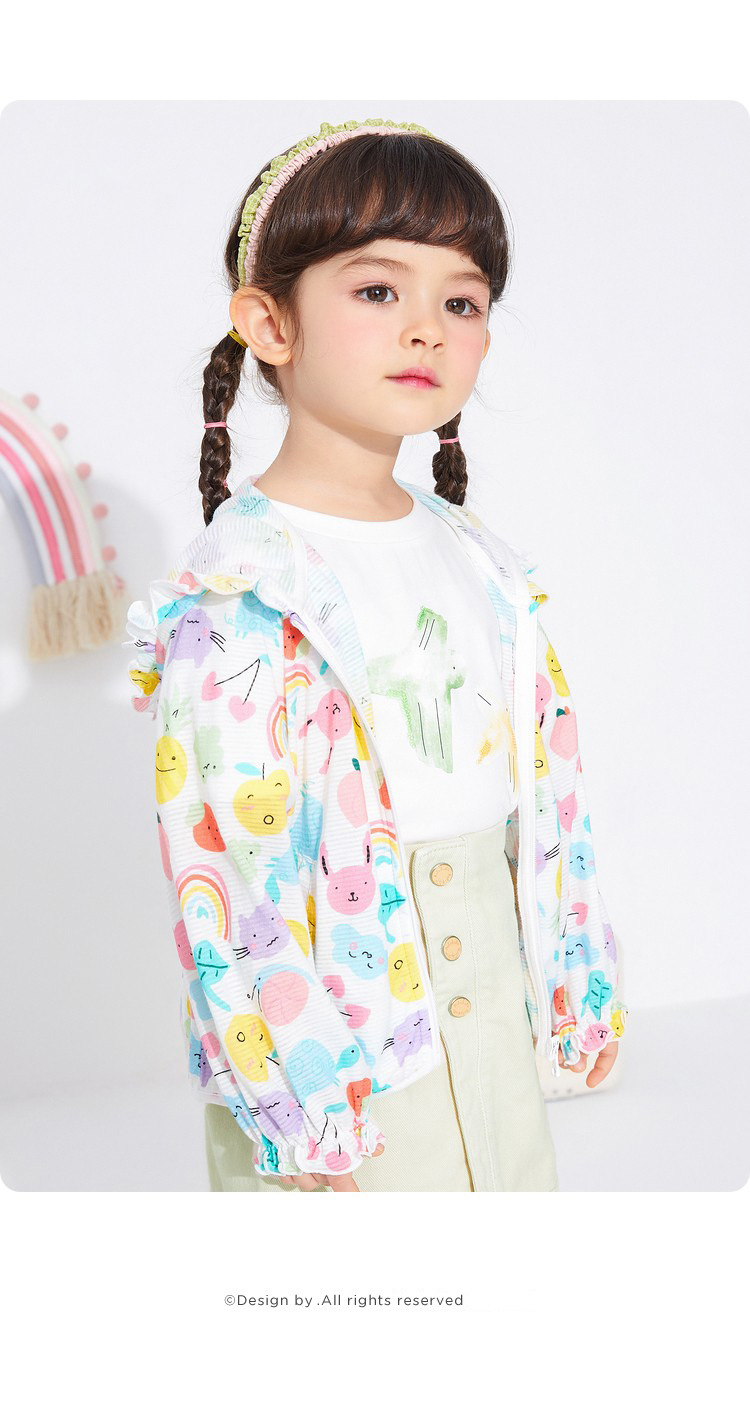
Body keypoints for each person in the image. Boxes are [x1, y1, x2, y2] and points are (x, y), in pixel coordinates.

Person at [125, 117, 627, 1194]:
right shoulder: (241, 592)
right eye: (376, 290)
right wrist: (298, 1095)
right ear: (270, 322)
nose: (426, 329)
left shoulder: (484, 563)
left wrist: (576, 978)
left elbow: (548, 794)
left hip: (493, 996)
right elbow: (229, 865)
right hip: (338, 1034)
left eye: (462, 302)